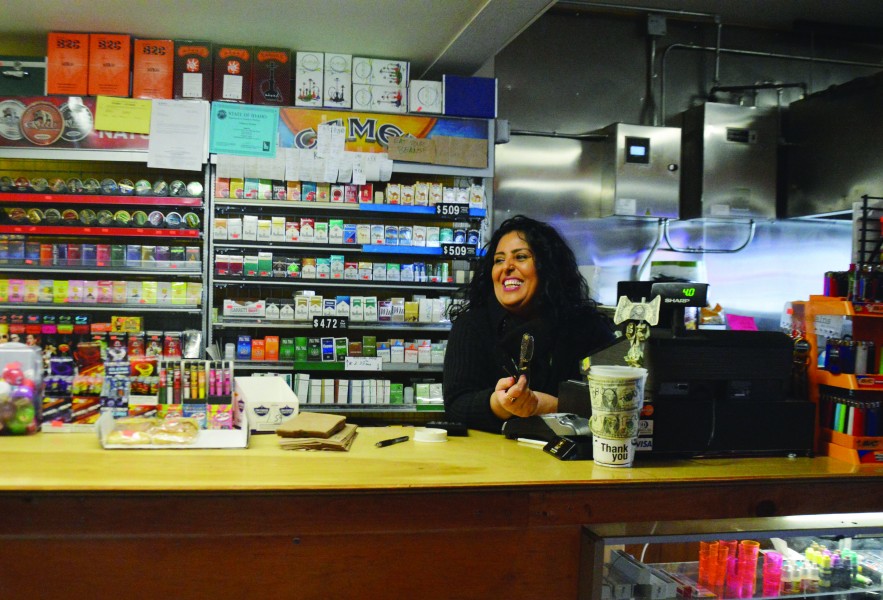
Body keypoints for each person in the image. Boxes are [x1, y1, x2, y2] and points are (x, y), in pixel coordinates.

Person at [443, 215, 616, 432]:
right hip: (497, 452)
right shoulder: (472, 326)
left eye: (521, 257)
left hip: (571, 452)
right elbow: (456, 405)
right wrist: (499, 404)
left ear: (548, 267)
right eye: (499, 260)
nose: (507, 267)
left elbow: (618, 399)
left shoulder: (585, 327)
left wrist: (552, 407)